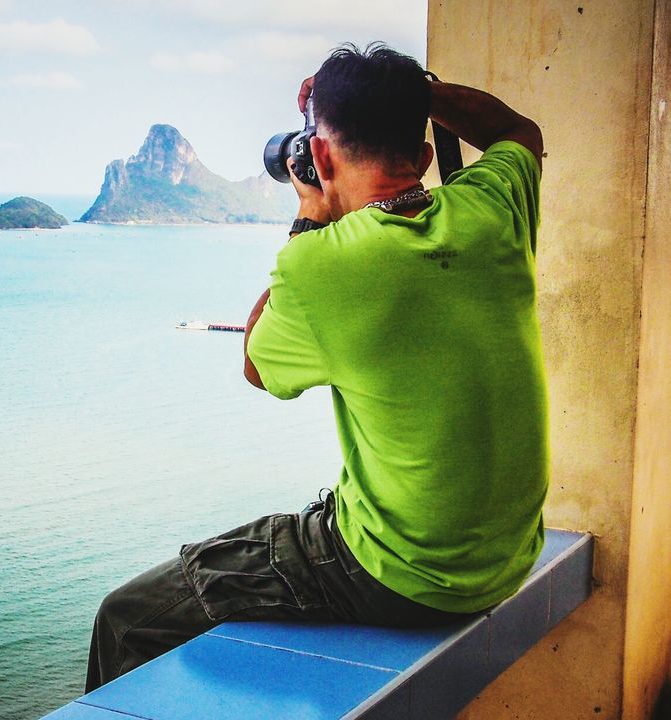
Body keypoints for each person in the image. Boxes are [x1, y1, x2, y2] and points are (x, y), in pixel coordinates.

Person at [85, 42, 547, 692]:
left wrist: (309, 217)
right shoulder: (493, 208)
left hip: (406, 578)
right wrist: (420, 92)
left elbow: (257, 364)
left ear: (320, 158)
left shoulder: (326, 262)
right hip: (506, 560)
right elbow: (519, 131)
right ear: (420, 159)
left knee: (126, 617)